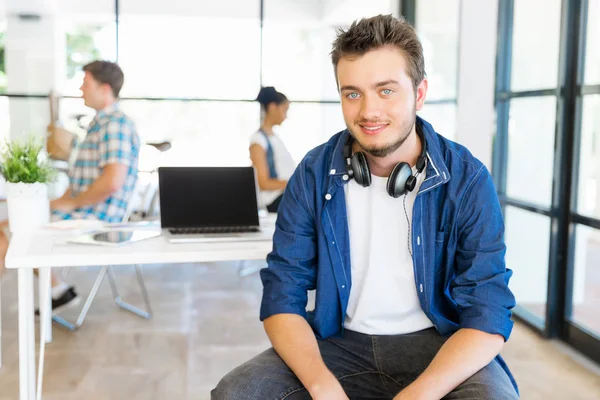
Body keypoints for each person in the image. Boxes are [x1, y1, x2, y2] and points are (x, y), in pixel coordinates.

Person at [213, 14, 518, 400]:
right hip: (338, 342)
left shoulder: (467, 178)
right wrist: (321, 385)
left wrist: (420, 394)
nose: (368, 111)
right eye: (352, 93)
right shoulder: (313, 172)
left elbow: (488, 311)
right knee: (237, 392)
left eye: (386, 91)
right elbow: (282, 294)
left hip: (436, 344)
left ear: (419, 93)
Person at [0, 60, 140, 313]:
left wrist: (70, 202)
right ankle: (57, 290)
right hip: (85, 210)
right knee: (11, 226)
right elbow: (81, 183)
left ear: (105, 88)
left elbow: (112, 182)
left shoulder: (115, 125)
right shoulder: (99, 125)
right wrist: (60, 201)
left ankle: (57, 290)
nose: (80, 89)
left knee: (10, 231)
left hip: (100, 219)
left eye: (86, 83)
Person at [249, 86, 296, 213]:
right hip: (276, 201)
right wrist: (295, 183)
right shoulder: (258, 140)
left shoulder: (275, 138)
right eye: (284, 110)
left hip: (284, 196)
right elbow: (263, 182)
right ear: (272, 107)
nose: (286, 116)